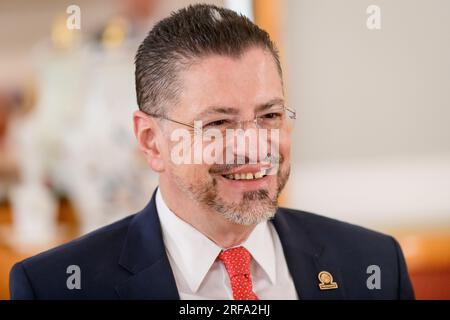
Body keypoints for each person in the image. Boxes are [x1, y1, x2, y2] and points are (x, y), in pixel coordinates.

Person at [9, 4, 414, 300]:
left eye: (269, 115)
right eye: (219, 123)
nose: (253, 146)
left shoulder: (373, 266)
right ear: (152, 140)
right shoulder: (55, 288)